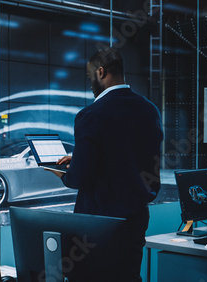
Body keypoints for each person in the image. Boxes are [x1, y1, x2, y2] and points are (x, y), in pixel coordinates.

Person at [48, 47, 163, 281]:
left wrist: (64, 173)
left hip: (96, 229)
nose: (91, 83)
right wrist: (80, 156)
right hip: (135, 221)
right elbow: (128, 156)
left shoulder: (91, 115)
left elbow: (79, 178)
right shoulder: (150, 110)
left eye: (91, 76)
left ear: (101, 72)